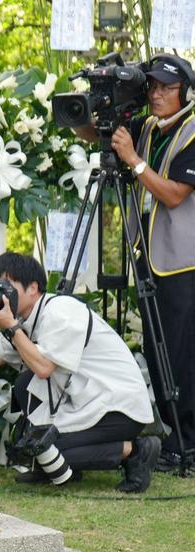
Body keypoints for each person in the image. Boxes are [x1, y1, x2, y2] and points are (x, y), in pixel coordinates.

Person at [75, 55, 195, 472]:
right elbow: (96, 134)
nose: (157, 94)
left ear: (186, 92)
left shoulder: (191, 131)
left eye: (166, 88)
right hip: (149, 256)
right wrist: (83, 112)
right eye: (153, 87)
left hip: (182, 263)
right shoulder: (147, 126)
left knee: (180, 353)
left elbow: (175, 194)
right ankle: (171, 436)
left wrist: (133, 160)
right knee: (155, 348)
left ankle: (187, 444)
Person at [0, 252, 159, 492]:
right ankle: (58, 467)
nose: (4, 295)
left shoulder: (60, 311)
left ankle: (135, 451)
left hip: (118, 407)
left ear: (33, 288)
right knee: (27, 395)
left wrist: (9, 325)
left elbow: (43, 368)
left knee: (48, 450)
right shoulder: (25, 322)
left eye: (7, 287)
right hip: (86, 403)